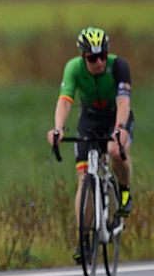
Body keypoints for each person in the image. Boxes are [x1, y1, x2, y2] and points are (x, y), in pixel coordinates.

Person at [46, 27, 134, 251]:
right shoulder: (73, 69)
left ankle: (124, 191)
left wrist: (120, 129)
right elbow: (65, 101)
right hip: (90, 119)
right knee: (84, 178)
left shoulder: (119, 66)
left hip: (116, 117)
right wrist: (58, 128)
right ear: (83, 57)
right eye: (93, 58)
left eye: (103, 55)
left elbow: (124, 102)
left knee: (115, 151)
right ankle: (83, 240)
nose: (99, 62)